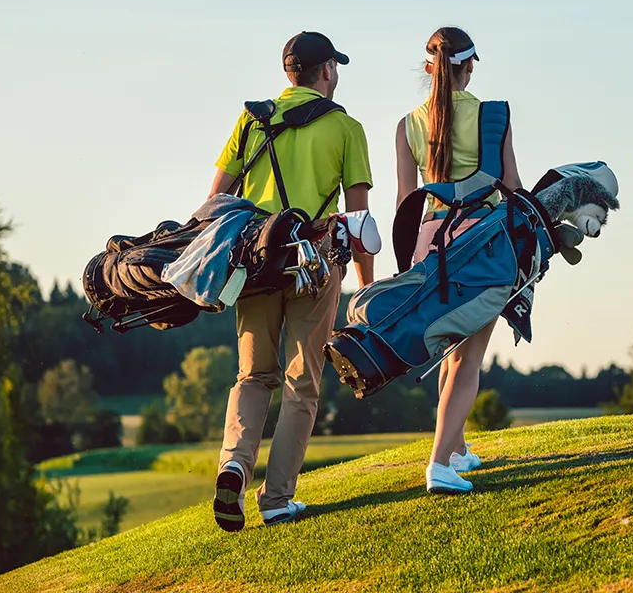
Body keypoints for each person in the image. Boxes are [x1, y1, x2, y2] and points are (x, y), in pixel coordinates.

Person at [209, 31, 375, 529]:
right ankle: (277, 498)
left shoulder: (251, 120)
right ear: (326, 71)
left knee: (253, 375)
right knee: (302, 383)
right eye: (335, 66)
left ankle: (234, 465)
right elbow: (358, 222)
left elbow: (215, 201)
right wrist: (365, 290)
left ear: (289, 73)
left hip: (255, 263)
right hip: (315, 262)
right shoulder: (346, 127)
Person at [395, 26, 522, 494]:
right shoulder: (494, 116)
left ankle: (456, 450)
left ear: (429, 68)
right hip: (481, 242)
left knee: (450, 350)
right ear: (468, 67)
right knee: (469, 359)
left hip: (430, 241)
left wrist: (408, 265)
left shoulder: (407, 124)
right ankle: (438, 466)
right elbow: (512, 187)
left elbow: (406, 202)